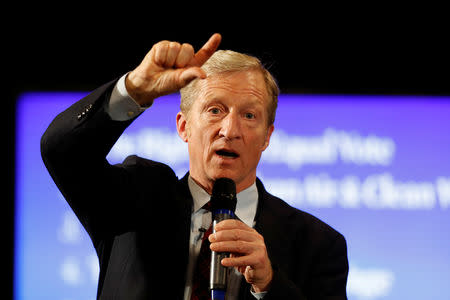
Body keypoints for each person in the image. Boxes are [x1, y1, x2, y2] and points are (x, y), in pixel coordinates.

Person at [41, 33, 349, 299]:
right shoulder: (135, 200)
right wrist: (134, 88)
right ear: (183, 126)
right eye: (215, 110)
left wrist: (269, 285)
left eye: (250, 115)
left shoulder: (318, 245)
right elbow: (62, 150)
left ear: (267, 136)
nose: (230, 130)